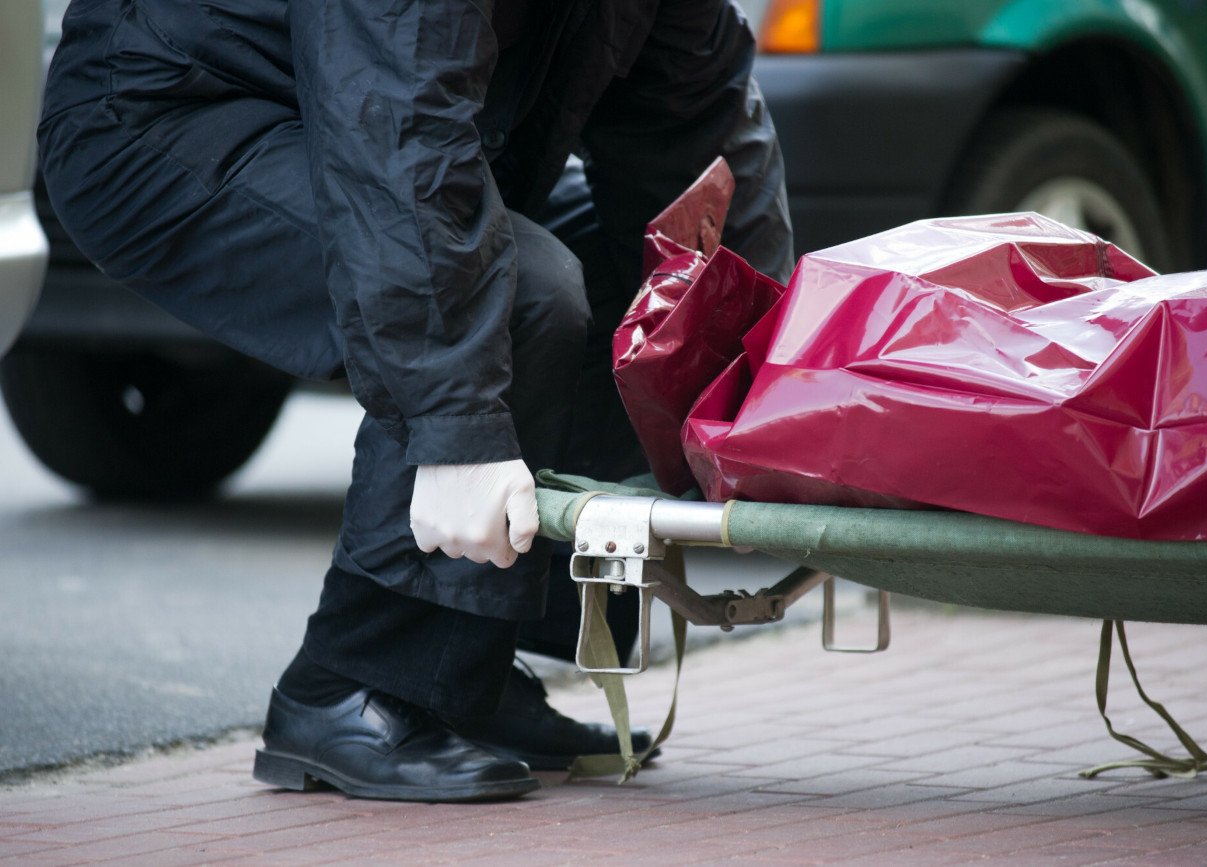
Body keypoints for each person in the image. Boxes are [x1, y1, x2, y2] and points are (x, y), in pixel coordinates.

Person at [39, 0, 793, 802]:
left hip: (361, 116)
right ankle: (353, 687)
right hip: (162, 114)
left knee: (649, 294)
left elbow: (695, 134)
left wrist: (753, 388)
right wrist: (456, 435)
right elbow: (393, 135)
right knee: (520, 290)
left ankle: (459, 672)